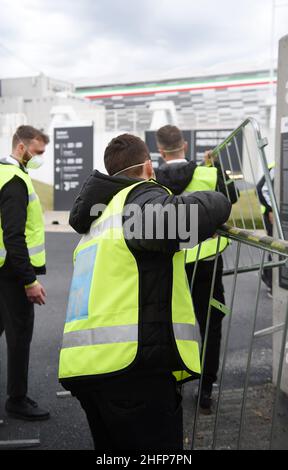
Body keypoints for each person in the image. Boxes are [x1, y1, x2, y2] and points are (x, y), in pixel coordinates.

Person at [59, 133, 231, 451]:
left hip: (89, 367)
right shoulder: (135, 204)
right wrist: (221, 198)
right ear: (149, 168)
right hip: (129, 372)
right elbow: (187, 217)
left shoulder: (101, 216)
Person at [155, 125, 238, 414]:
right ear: (185, 146)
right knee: (210, 326)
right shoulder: (208, 173)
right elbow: (232, 198)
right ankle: (205, 391)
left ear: (161, 151)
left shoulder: (152, 179)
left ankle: (171, 385)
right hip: (207, 264)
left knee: (168, 325)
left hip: (170, 264)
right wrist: (215, 165)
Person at [0, 125, 50, 421]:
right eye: (38, 152)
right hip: (12, 272)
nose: (40, 158)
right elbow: (14, 237)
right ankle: (17, 399)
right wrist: (29, 280)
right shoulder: (15, 180)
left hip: (2, 267)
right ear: (21, 148)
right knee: (20, 335)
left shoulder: (3, 174)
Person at [256, 162, 275, 298]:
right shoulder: (278, 164)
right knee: (275, 247)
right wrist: (271, 209)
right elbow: (261, 188)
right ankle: (271, 283)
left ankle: (267, 274)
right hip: (272, 215)